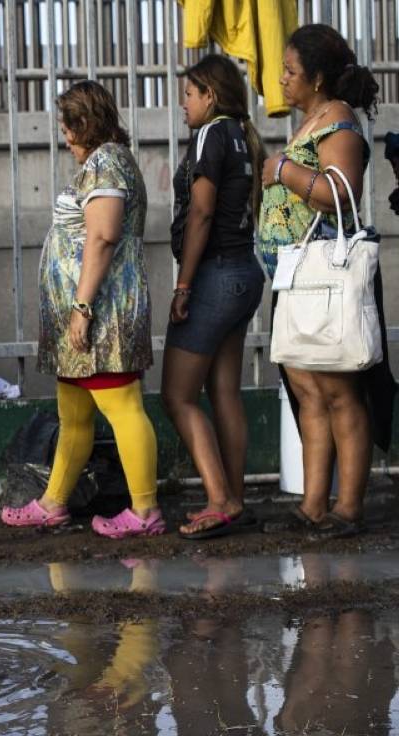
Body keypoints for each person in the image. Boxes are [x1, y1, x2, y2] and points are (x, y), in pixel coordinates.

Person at [0, 80, 159, 538]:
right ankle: (53, 503)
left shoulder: (105, 163)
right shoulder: (102, 162)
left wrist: (82, 307)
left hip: (101, 313)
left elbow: (104, 235)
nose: (64, 137)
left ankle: (145, 510)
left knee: (122, 404)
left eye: (67, 127)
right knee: (74, 413)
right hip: (84, 315)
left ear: (84, 124)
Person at [258, 24, 395, 538]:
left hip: (327, 278)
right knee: (308, 390)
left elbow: (343, 192)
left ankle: (347, 508)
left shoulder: (338, 120)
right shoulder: (314, 117)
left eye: (290, 71)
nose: (282, 79)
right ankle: (314, 505)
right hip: (299, 277)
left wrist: (281, 172)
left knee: (340, 394)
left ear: (317, 79)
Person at [161, 55, 267, 540]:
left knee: (177, 395)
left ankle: (220, 500)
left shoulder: (210, 133)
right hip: (245, 272)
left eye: (188, 93)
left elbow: (201, 213)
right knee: (223, 390)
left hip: (215, 275)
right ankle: (236, 500)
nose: (183, 103)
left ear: (209, 95)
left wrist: (183, 285)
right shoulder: (243, 135)